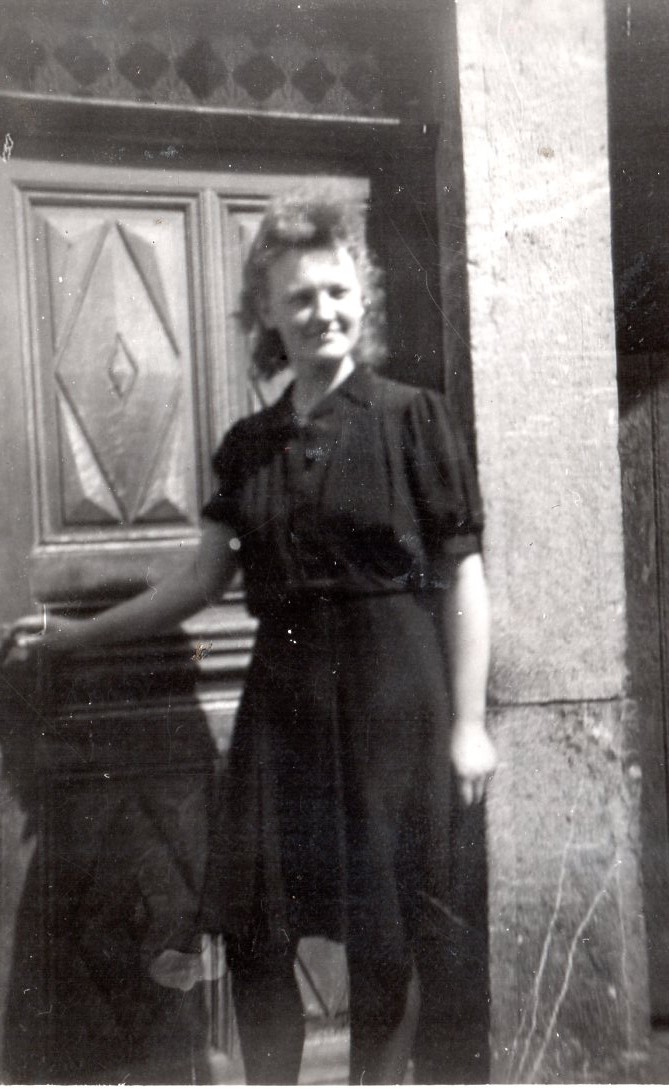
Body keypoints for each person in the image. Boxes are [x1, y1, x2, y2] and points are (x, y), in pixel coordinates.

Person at [5, 193, 497, 1085]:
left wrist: (468, 724)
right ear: (266, 311)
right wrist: (72, 636)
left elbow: (462, 576)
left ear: (363, 297)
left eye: (337, 291)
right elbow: (197, 583)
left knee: (384, 935)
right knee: (259, 932)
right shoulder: (247, 447)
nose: (322, 312)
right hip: (283, 710)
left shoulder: (413, 419)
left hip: (394, 705)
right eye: (299, 297)